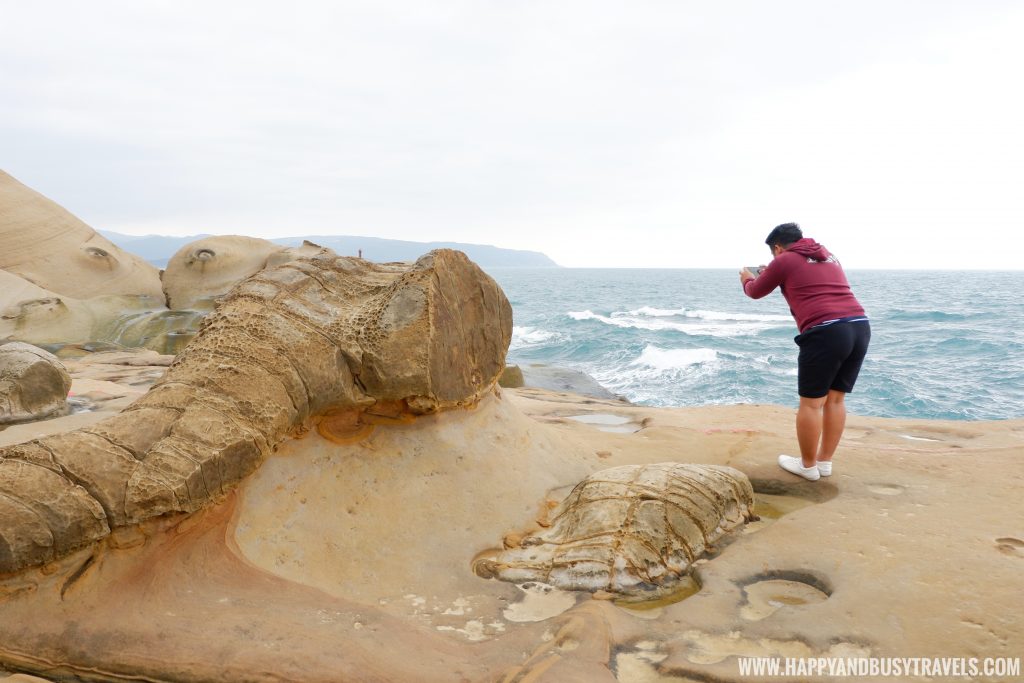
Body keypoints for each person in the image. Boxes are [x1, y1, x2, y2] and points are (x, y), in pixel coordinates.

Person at [739, 223, 870, 481]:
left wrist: (747, 279)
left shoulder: (784, 260)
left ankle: (808, 466)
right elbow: (805, 279)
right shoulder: (827, 255)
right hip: (859, 326)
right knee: (836, 399)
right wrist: (774, 271)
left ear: (777, 247)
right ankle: (824, 462)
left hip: (826, 331)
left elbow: (755, 291)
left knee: (811, 404)